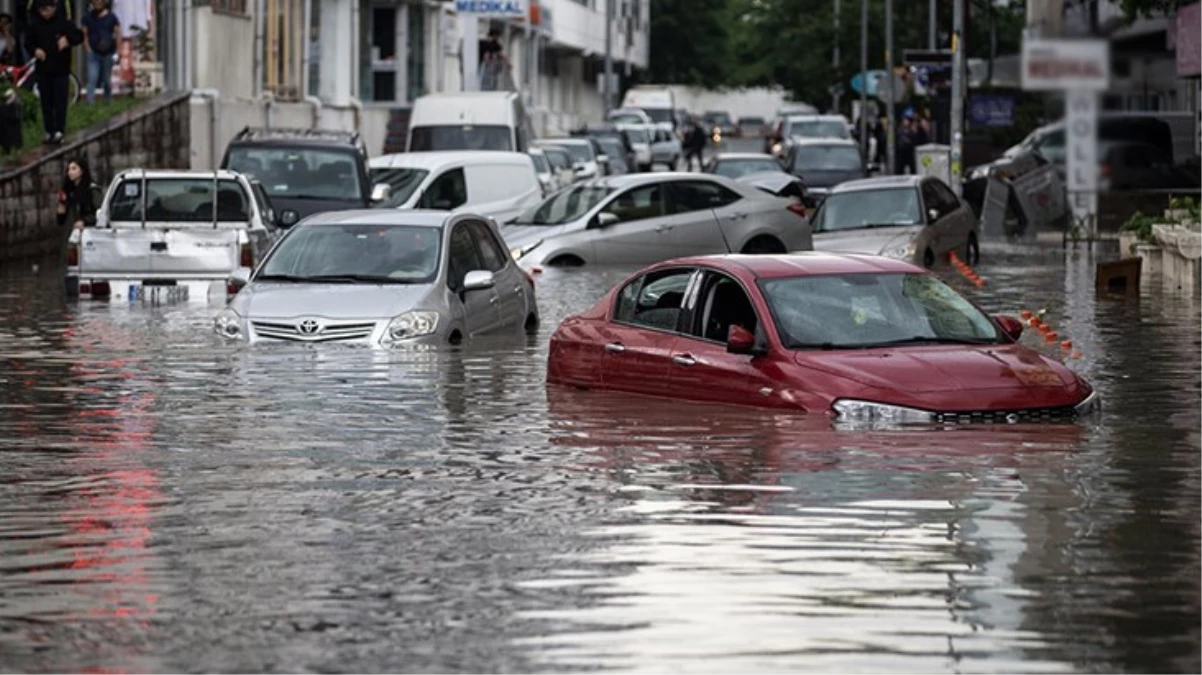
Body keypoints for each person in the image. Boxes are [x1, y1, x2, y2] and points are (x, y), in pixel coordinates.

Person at [24, 0, 83, 144]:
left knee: (60, 102)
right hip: (43, 70)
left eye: (48, 8)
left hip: (61, 69)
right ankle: (48, 130)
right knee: (46, 102)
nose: (45, 11)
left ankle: (59, 130)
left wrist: (67, 40)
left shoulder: (64, 23)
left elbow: (79, 36)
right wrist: (35, 50)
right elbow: (28, 43)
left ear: (54, 7)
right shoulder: (35, 25)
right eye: (42, 9)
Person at [82, 0, 119, 103]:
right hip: (93, 53)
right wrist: (87, 48)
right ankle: (90, 102)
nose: (97, 3)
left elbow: (117, 33)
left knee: (107, 80)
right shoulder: (88, 17)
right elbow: (84, 34)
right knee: (92, 78)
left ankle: (107, 100)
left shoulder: (112, 17)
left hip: (108, 53)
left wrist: (118, 51)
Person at [57, 158, 99, 229]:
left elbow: (100, 212)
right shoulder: (68, 191)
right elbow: (61, 221)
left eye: (74, 169)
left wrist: (85, 221)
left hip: (87, 231)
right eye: (69, 169)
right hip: (71, 232)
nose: (70, 172)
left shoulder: (92, 189)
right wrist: (61, 208)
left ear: (82, 170)